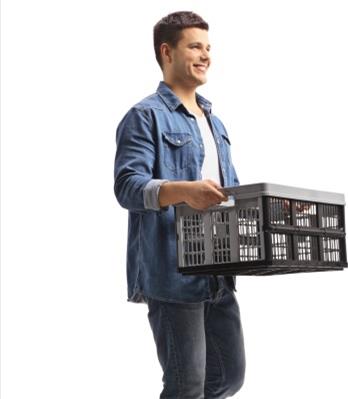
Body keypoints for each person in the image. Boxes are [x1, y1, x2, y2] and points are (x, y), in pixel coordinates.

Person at [113, 11, 245, 399]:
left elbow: (230, 191)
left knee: (228, 376)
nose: (205, 55)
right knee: (186, 385)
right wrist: (183, 190)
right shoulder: (144, 116)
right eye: (195, 46)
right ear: (166, 51)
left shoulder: (214, 121)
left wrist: (278, 209)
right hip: (171, 273)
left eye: (208, 47)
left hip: (218, 268)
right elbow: (128, 187)